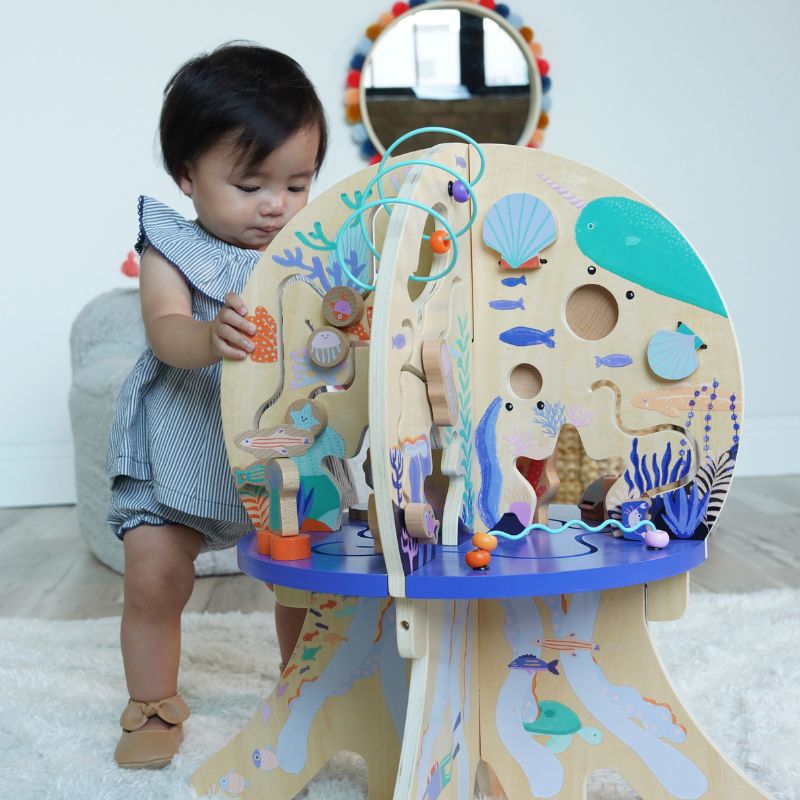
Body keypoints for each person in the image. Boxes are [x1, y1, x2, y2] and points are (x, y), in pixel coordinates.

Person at [106, 42, 327, 769]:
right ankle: (152, 704)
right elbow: (167, 332)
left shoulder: (313, 250)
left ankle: (305, 690)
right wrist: (206, 334)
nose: (276, 205)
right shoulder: (172, 247)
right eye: (251, 183)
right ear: (188, 178)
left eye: (297, 184)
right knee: (153, 576)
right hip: (182, 447)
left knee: (307, 576)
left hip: (279, 456)